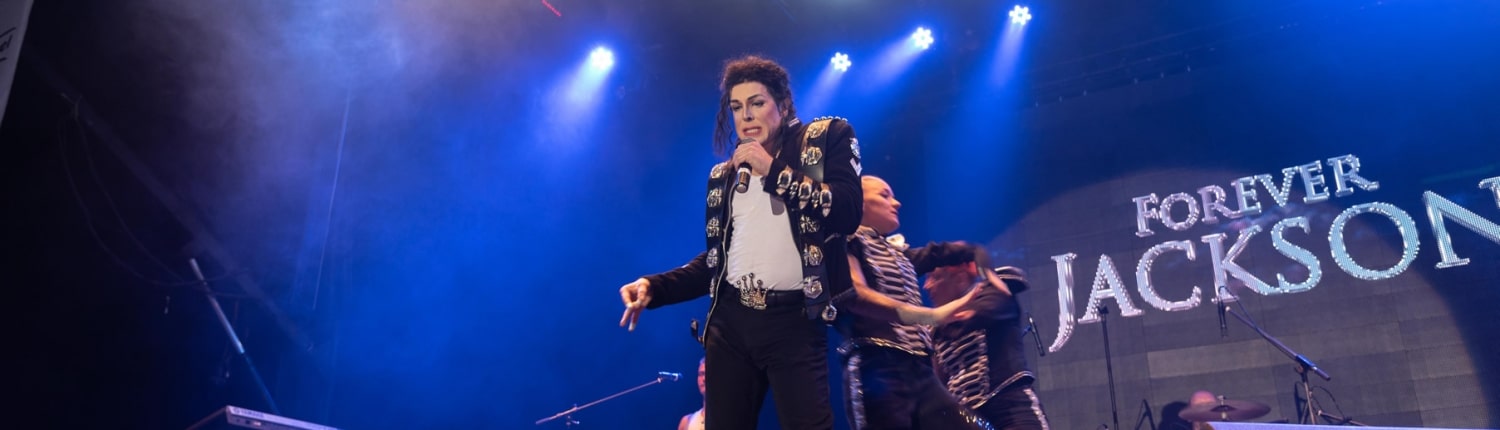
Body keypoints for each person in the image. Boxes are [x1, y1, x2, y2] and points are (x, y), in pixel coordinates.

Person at [617, 55, 864, 430]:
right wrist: (656, 286)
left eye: (756, 103)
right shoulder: (726, 175)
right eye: (736, 107)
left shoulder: (825, 137)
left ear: (783, 104)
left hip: (794, 320)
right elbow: (718, 263)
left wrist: (774, 170)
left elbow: (847, 212)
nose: (745, 116)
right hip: (731, 322)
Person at [840, 175, 989, 430]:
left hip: (921, 371)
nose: (896, 203)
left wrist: (985, 268)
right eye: (884, 195)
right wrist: (929, 315)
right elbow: (854, 293)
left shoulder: (901, 256)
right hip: (877, 367)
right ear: (858, 203)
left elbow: (955, 251)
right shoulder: (845, 244)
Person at [920, 242, 1051, 430]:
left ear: (960, 278)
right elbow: (938, 380)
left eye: (935, 277)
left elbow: (971, 317)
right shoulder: (935, 330)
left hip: (1010, 408)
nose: (926, 286)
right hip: (966, 420)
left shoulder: (995, 294)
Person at [678, 358, 707, 430]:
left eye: (708, 374)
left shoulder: (729, 417)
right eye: (701, 374)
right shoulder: (686, 421)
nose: (704, 378)